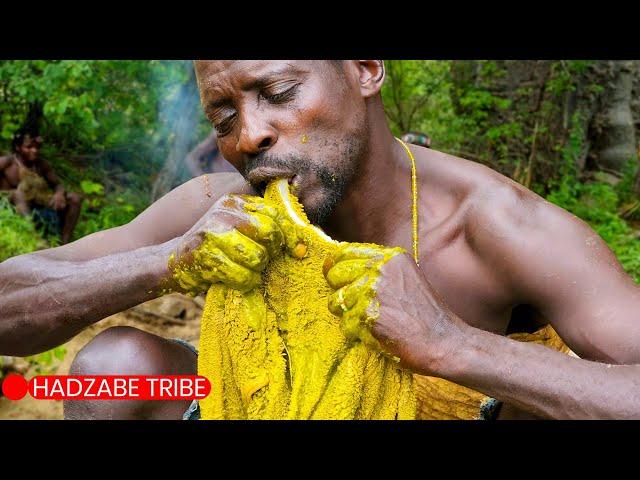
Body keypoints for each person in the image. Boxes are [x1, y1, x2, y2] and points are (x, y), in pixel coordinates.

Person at [1, 61, 639, 420]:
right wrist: (163, 262)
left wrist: (454, 347)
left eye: (278, 93)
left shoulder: (496, 225)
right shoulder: (218, 207)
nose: (249, 135)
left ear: (364, 70)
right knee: (112, 374)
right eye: (223, 118)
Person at [0, 130, 82, 244]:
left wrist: (59, 194)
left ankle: (64, 242)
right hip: (8, 202)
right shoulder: (7, 162)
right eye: (29, 147)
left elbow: (57, 184)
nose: (35, 150)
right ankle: (36, 239)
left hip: (35, 203)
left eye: (37, 147)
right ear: (18, 147)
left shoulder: (40, 164)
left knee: (74, 198)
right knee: (18, 194)